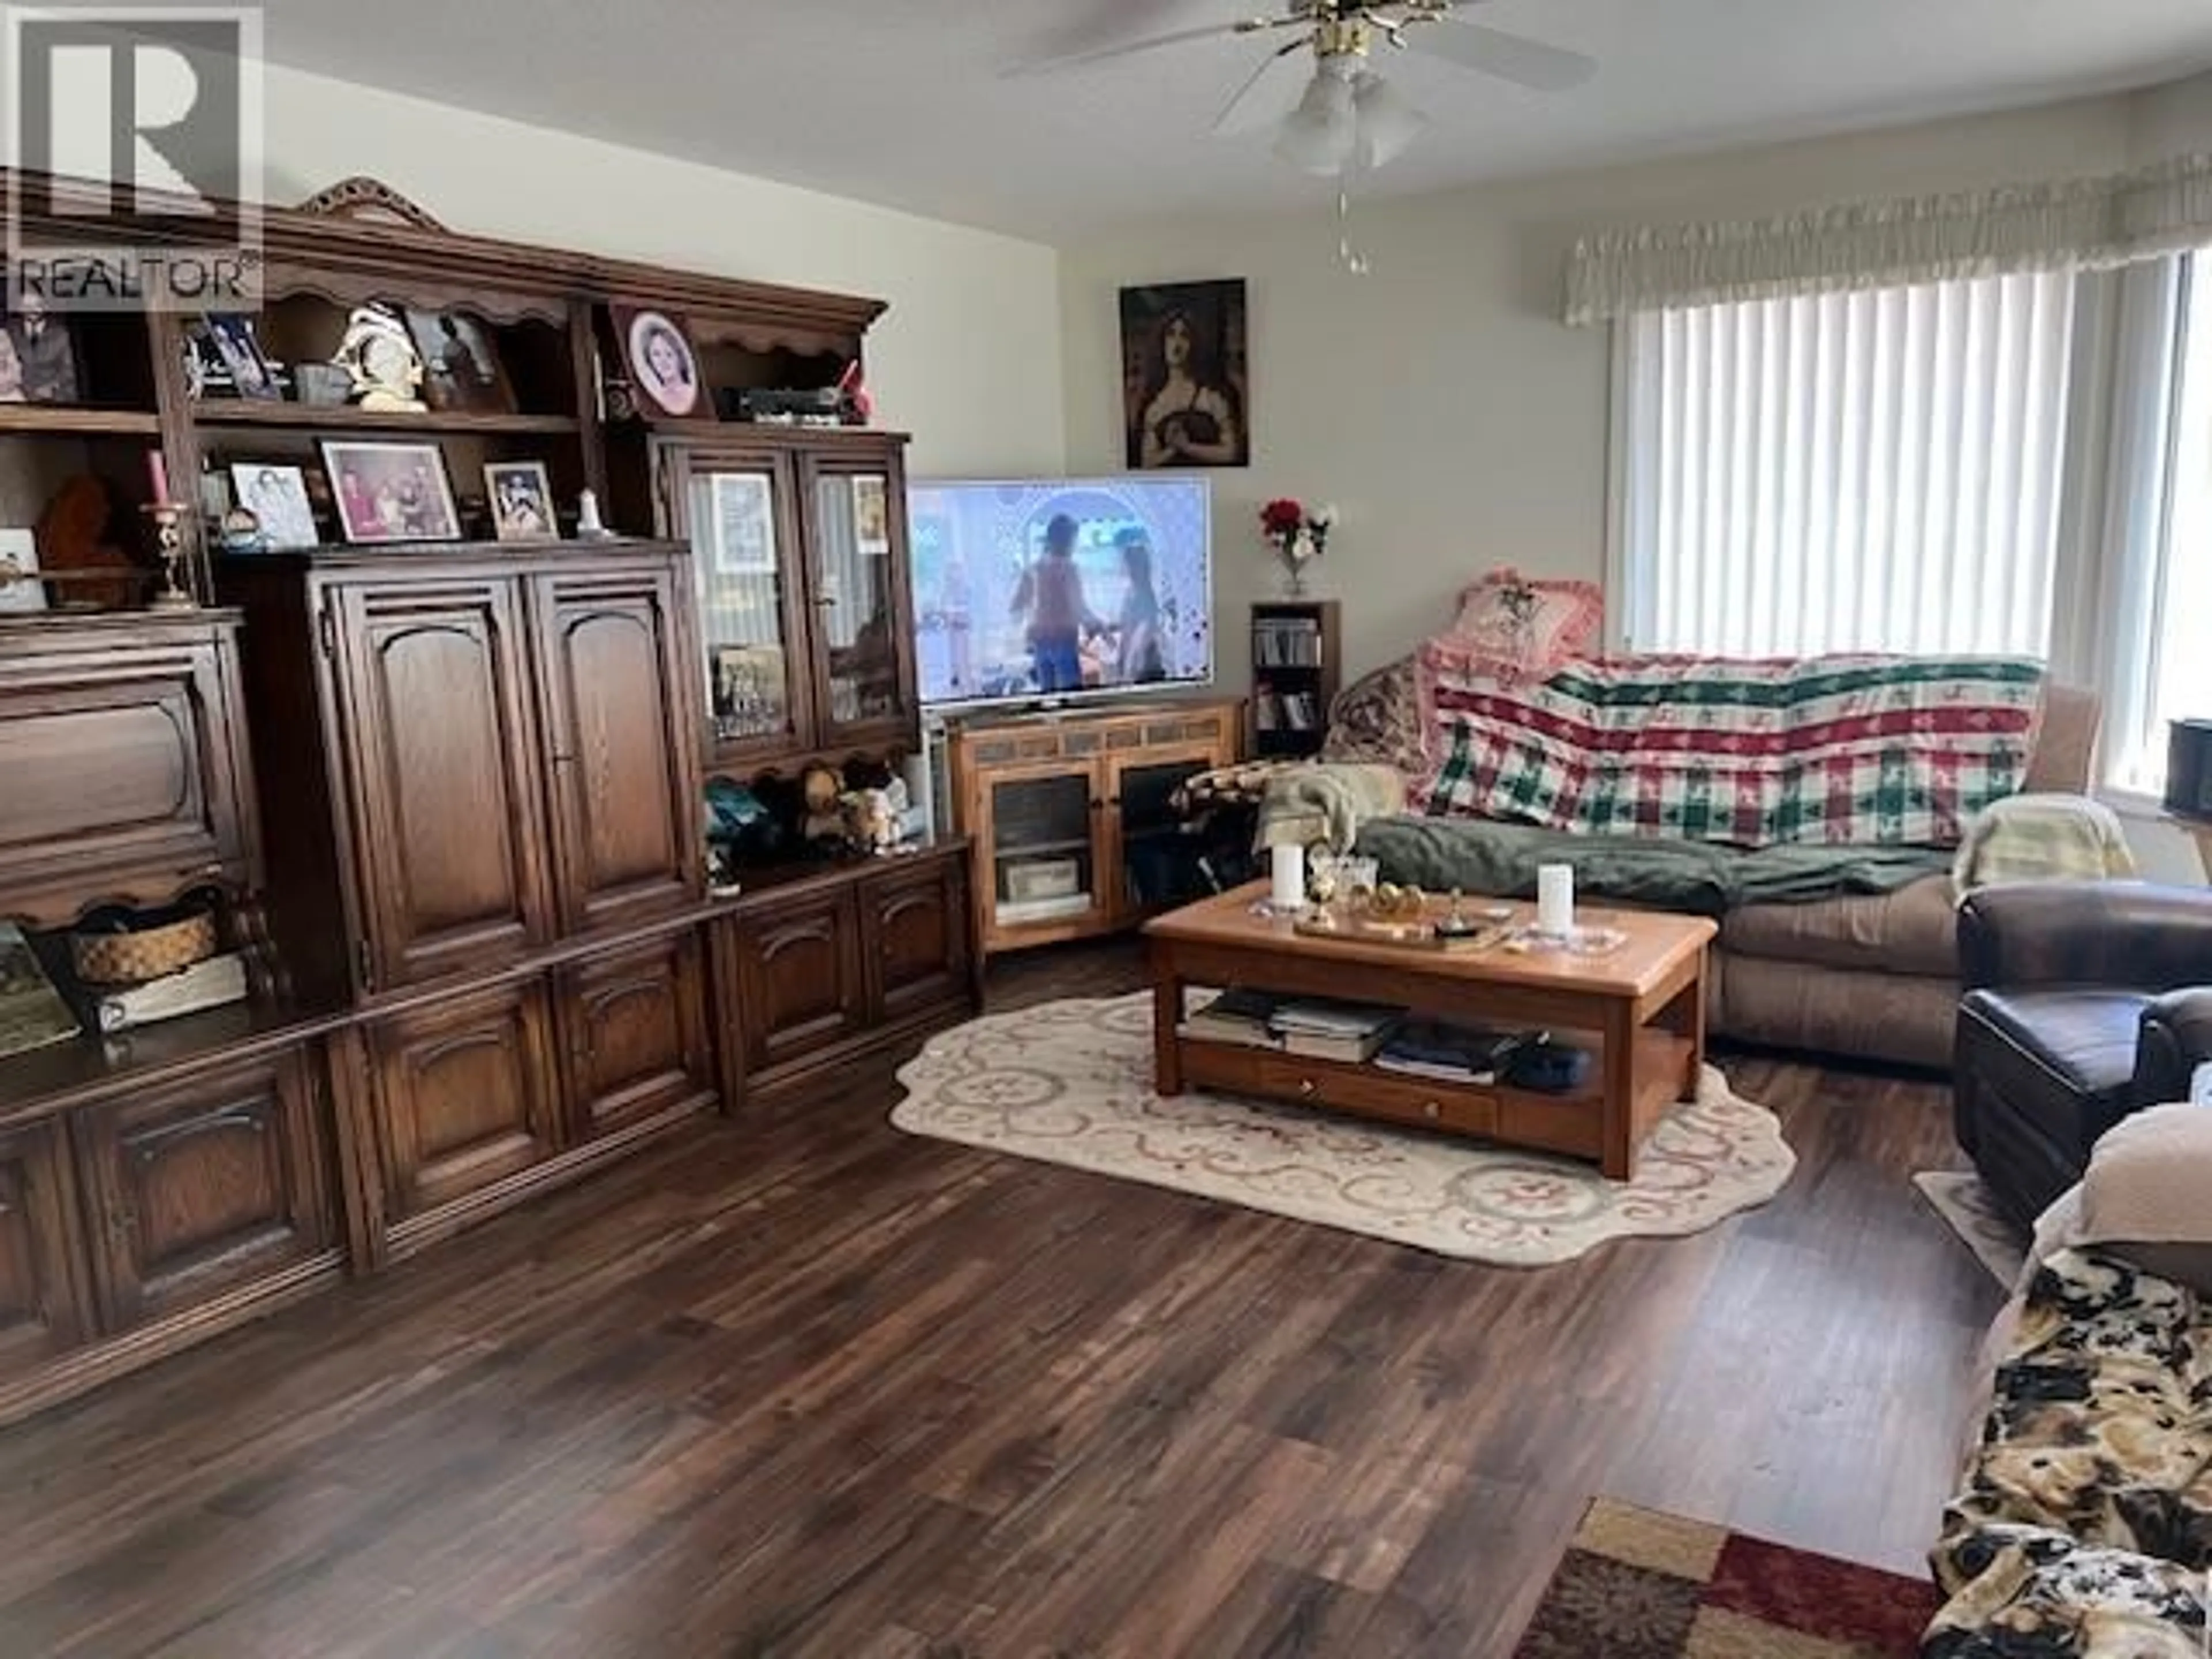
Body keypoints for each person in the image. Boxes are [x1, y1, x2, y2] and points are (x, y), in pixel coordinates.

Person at [1135, 306, 1242, 468]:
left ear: (1194, 344)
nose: (1177, 344)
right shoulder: (1154, 407)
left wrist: (1188, 447)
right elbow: (1147, 462)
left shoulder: (1211, 396)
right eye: (1171, 335)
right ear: (1162, 343)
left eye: (1184, 336)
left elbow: (1231, 453)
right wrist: (1173, 449)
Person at [1009, 513, 1101, 695]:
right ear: (1066, 540)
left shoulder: (1033, 569)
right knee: (1071, 703)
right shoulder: (1069, 568)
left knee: (1049, 702)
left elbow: (1016, 608)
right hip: (1064, 642)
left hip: (1041, 644)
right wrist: (1100, 628)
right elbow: (1079, 607)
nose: (1075, 545)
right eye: (1074, 539)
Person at [1113, 527, 1166, 684]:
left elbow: (1140, 635)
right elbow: (1128, 630)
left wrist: (1127, 667)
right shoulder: (1137, 591)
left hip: (1144, 666)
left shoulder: (1140, 594)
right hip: (1143, 663)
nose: (1120, 565)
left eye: (1124, 562)